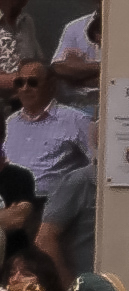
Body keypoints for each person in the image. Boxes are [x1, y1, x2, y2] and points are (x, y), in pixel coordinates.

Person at [5, 61, 91, 278]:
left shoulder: (75, 119)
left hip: (51, 208)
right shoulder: (10, 122)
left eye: (32, 82)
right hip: (11, 202)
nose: (25, 88)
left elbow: (95, 162)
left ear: (51, 86)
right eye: (19, 82)